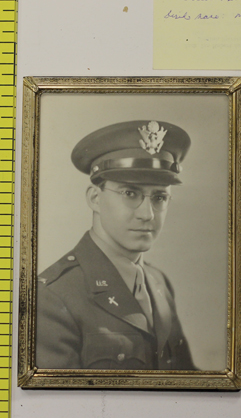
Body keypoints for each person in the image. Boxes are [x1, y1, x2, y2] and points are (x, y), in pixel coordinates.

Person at [36, 120, 195, 370]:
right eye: (130, 193)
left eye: (159, 197)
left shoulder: (159, 282)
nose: (148, 215)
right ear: (95, 198)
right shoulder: (52, 297)